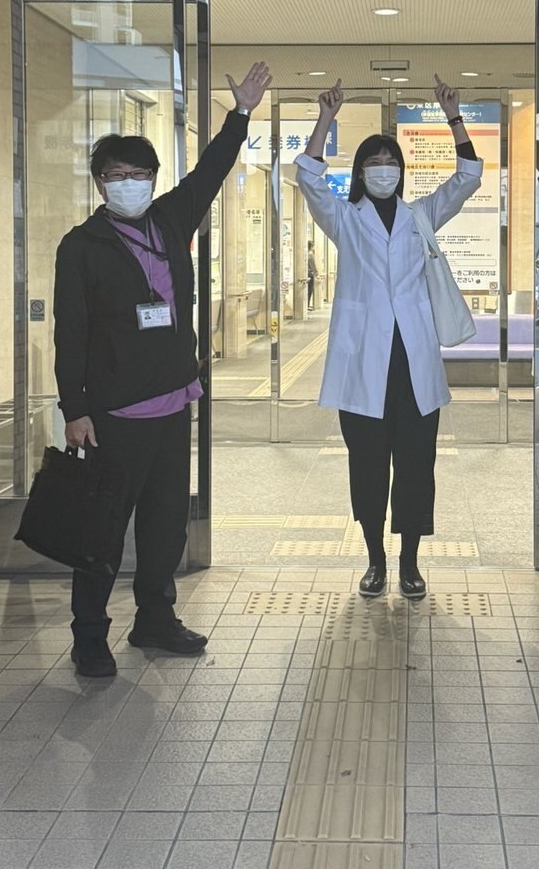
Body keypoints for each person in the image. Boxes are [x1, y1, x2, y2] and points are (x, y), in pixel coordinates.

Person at [53, 61, 272, 677]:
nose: (128, 184)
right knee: (101, 532)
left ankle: (154, 618)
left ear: (153, 179)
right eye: (116, 176)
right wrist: (76, 409)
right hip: (114, 415)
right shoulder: (82, 246)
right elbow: (69, 333)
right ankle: (89, 636)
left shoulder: (170, 220)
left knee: (165, 526)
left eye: (139, 175)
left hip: (174, 405)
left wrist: (241, 113)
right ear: (100, 184)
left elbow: (211, 171)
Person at [295, 76, 483, 600]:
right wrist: (326, 119)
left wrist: (454, 117)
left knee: (417, 468)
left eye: (391, 162)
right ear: (360, 172)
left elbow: (468, 177)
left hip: (413, 368)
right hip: (363, 370)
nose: (384, 169)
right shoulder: (344, 218)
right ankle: (375, 559)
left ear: (401, 171)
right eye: (374, 162)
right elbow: (308, 177)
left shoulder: (421, 215)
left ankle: (410, 562)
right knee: (368, 468)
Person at [307, 240, 319, 310]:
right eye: (313, 246)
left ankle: (307, 304)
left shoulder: (305, 253)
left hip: (307, 273)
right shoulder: (310, 254)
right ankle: (307, 305)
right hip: (310, 274)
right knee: (309, 290)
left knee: (308, 290)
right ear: (311, 246)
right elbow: (313, 265)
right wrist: (316, 274)